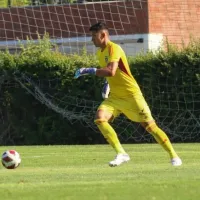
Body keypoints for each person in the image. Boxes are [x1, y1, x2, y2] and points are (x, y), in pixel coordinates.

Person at [74, 22, 182, 167]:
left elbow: (111, 70)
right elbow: (111, 74)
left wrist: (89, 70)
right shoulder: (100, 53)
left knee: (151, 127)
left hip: (132, 95)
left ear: (103, 35)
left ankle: (174, 156)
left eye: (94, 36)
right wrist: (107, 84)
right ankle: (121, 153)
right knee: (100, 119)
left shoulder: (115, 48)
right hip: (116, 98)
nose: (92, 39)